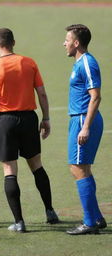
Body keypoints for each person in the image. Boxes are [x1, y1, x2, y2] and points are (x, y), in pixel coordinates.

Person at [0, 28, 59, 233]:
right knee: (36, 165)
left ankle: (19, 222)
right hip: (29, 118)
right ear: (14, 42)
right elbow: (42, 94)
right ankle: (50, 211)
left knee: (10, 170)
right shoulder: (29, 62)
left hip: (6, 121)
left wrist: (2, 110)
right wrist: (45, 118)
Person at [63, 24, 107, 235]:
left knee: (78, 168)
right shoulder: (79, 62)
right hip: (78, 119)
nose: (64, 43)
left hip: (83, 120)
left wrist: (86, 127)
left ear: (77, 43)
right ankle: (96, 218)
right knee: (82, 168)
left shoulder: (87, 63)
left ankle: (89, 223)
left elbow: (95, 96)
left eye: (67, 39)